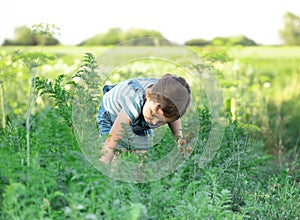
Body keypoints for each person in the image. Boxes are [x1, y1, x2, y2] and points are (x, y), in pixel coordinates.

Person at [96, 74, 191, 164]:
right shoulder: (135, 100)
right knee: (120, 154)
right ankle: (113, 177)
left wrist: (179, 139)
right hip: (111, 114)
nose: (154, 122)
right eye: (154, 115)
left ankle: (137, 179)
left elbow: (174, 117)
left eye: (162, 122)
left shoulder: (165, 104)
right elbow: (113, 139)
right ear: (148, 95)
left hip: (138, 116)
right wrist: (102, 166)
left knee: (143, 157)